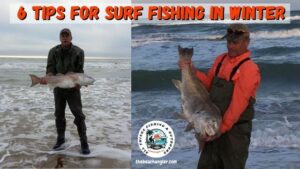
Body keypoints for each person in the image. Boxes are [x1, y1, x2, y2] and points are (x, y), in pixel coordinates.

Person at [179, 23, 261, 169]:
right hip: (213, 125)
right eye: (228, 42)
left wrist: (219, 130)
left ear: (247, 42)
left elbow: (237, 106)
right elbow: (209, 85)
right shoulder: (221, 60)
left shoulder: (249, 69)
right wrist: (192, 70)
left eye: (235, 42)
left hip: (234, 134)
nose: (230, 46)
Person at [40, 28, 90, 154]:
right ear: (60, 38)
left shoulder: (79, 52)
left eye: (67, 36)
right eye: (62, 36)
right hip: (58, 87)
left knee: (78, 115)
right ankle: (60, 140)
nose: (65, 38)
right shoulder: (53, 51)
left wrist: (80, 84)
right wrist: (49, 78)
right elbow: (50, 69)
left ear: (71, 37)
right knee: (59, 114)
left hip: (73, 88)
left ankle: (84, 142)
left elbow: (80, 70)